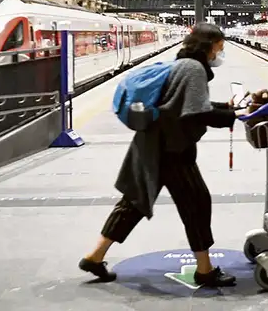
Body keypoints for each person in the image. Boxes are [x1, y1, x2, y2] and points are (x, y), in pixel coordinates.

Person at [79, 23, 241, 287]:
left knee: (134, 202)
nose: (219, 54)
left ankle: (94, 257)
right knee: (196, 204)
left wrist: (225, 107)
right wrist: (234, 116)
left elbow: (179, 102)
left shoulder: (182, 64)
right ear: (208, 46)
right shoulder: (194, 68)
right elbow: (196, 113)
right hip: (173, 149)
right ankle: (205, 270)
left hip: (151, 144)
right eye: (219, 48)